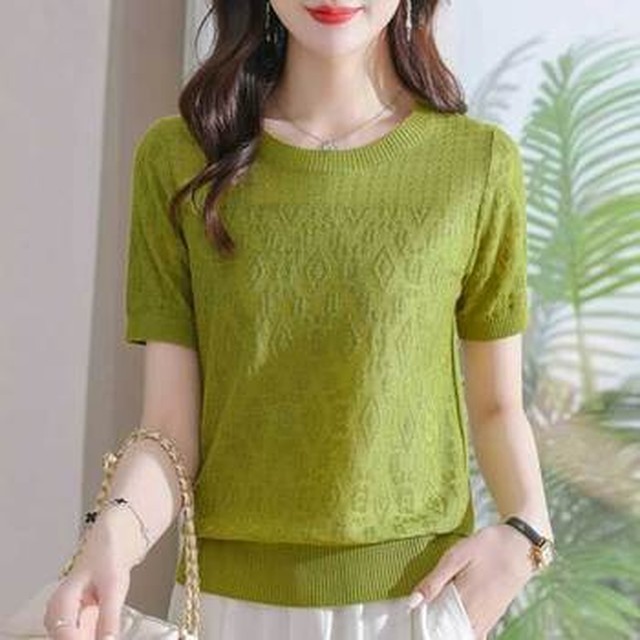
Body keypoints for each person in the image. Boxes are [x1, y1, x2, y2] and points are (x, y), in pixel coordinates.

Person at [43, 0, 556, 638]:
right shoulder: (178, 159)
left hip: (412, 605)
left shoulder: (475, 164)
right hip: (228, 611)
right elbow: (170, 429)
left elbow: (497, 406)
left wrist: (527, 534)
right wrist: (113, 536)